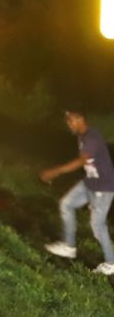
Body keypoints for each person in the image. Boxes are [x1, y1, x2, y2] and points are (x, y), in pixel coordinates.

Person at [41, 109, 114, 275]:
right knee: (66, 204)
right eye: (68, 121)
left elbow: (82, 160)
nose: (69, 124)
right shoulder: (82, 136)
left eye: (71, 120)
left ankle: (111, 263)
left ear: (81, 119)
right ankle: (68, 246)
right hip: (90, 183)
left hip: (103, 187)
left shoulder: (92, 137)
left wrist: (56, 171)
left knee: (97, 225)